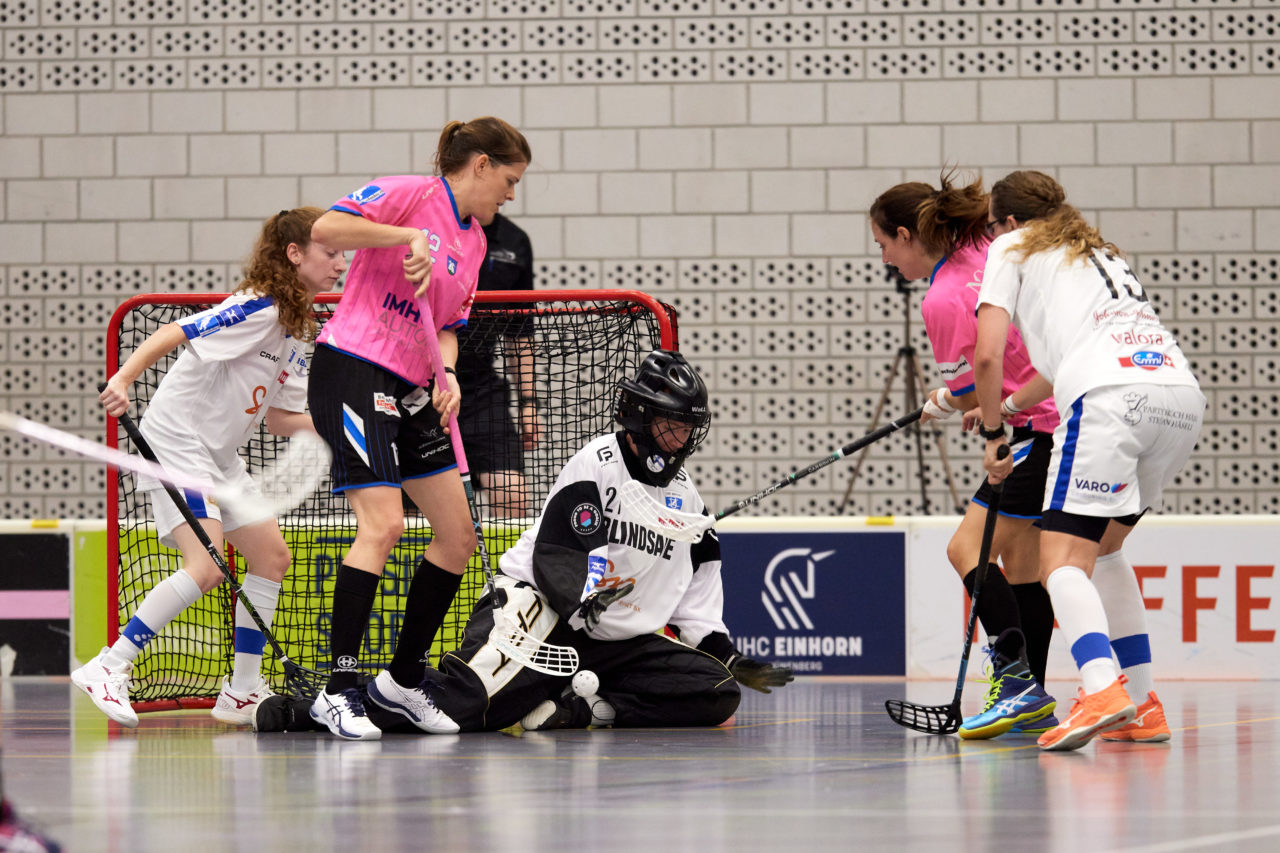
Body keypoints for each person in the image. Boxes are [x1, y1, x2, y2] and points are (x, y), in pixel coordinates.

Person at [254, 350, 795, 735]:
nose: (679, 440)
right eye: (671, 426)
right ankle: (313, 710)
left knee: (715, 692)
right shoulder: (596, 466)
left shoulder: (691, 504)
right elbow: (559, 557)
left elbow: (699, 605)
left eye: (687, 428)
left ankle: (579, 708)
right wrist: (585, 599)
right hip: (543, 613)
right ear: (640, 417)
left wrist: (732, 660)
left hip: (614, 642)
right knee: (467, 709)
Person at [73, 207, 346, 727]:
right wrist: (124, 379)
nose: (341, 263)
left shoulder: (292, 329)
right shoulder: (258, 307)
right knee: (207, 566)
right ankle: (110, 666)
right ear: (294, 253)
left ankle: (241, 692)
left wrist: (348, 427)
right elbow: (179, 329)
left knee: (271, 558)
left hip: (219, 457)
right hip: (178, 442)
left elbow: (284, 420)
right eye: (331, 252)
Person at [305, 116, 531, 740]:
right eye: (509, 180)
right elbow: (325, 228)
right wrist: (406, 235)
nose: (511, 194)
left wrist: (450, 373)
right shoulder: (413, 195)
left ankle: (401, 683)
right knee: (384, 524)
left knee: (456, 535)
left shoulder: (479, 244)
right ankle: (338, 689)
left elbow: (450, 323)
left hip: (414, 384)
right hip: (352, 367)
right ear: (480, 164)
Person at [974, 170, 1203, 751]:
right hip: (1177, 398)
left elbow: (986, 353)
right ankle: (1143, 705)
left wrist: (995, 436)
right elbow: (1062, 363)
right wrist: (1010, 404)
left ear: (1006, 222)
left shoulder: (1010, 245)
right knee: (1104, 549)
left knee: (1060, 562)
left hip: (1108, 403)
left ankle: (1101, 686)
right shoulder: (1094, 249)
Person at [870, 173, 1059, 738]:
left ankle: (1017, 682)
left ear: (907, 235)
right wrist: (959, 399)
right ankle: (1033, 695)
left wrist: (945, 403)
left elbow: (981, 380)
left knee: (965, 550)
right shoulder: (988, 248)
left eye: (883, 245)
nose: (885, 259)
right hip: (1063, 419)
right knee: (1022, 565)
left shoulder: (943, 296)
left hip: (1033, 430)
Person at [453, 211, 541, 518]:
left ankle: (505, 568)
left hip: (481, 392)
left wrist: (529, 404)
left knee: (513, 494)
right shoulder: (432, 229)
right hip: (423, 388)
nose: (511, 194)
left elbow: (519, 334)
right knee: (413, 505)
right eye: (508, 181)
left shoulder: (515, 242)